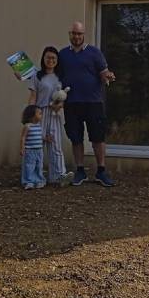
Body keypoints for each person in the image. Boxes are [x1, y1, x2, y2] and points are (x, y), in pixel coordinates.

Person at [58, 21, 116, 187]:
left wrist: (109, 76)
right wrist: (26, 74)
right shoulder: (63, 55)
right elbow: (52, 74)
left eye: (79, 34)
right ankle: (80, 171)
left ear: (84, 35)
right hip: (71, 103)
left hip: (93, 102)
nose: (77, 37)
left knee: (98, 137)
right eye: (74, 33)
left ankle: (101, 171)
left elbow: (104, 72)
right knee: (76, 138)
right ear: (70, 34)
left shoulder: (94, 53)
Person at [27, 46, 74, 186]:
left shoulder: (61, 77)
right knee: (36, 145)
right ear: (43, 58)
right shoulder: (37, 76)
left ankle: (58, 176)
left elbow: (64, 97)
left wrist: (59, 106)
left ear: (57, 60)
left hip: (55, 114)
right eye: (48, 57)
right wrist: (30, 114)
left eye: (53, 58)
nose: (51, 60)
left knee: (55, 144)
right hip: (39, 113)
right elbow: (33, 96)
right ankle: (35, 177)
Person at [19, 105, 46, 190]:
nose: (41, 115)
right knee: (29, 166)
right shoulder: (27, 126)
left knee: (39, 166)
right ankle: (29, 181)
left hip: (39, 150)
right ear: (32, 115)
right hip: (30, 150)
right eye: (39, 113)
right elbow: (23, 138)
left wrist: (46, 138)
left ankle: (39, 180)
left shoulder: (39, 125)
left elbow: (40, 136)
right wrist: (22, 148)